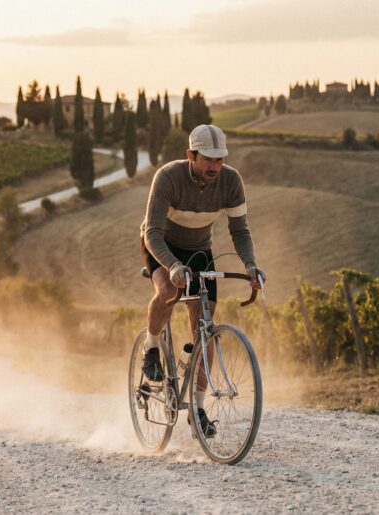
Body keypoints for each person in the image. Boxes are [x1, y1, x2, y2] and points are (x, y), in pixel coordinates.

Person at [139, 124, 264, 437]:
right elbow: (152, 232)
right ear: (190, 155)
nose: (215, 166)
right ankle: (151, 348)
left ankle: (197, 408)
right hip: (162, 245)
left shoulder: (231, 181)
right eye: (208, 159)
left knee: (204, 326)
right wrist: (171, 265)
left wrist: (251, 265)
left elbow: (240, 230)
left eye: (220, 160)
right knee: (168, 289)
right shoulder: (168, 177)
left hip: (198, 250)